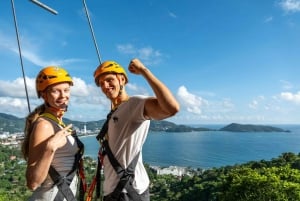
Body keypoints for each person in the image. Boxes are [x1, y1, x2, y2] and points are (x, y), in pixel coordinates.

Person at [93, 58, 180, 201]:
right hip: (115, 191)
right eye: (101, 84)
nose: (105, 86)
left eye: (109, 80)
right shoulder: (115, 112)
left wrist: (144, 71)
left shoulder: (134, 104)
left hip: (128, 192)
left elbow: (171, 108)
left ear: (122, 80)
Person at [22, 66, 85, 201]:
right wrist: (50, 148)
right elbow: (32, 183)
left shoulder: (57, 122)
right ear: (44, 94)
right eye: (56, 91)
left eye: (66, 90)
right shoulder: (44, 125)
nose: (63, 96)